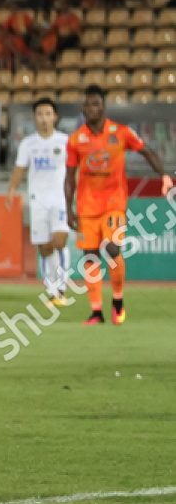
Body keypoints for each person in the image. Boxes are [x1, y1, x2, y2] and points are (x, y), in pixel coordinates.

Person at [65, 85, 172, 325]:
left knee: (113, 249)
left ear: (103, 106)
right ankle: (96, 312)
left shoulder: (121, 132)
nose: (90, 108)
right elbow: (69, 175)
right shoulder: (75, 139)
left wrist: (163, 175)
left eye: (95, 103)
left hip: (114, 204)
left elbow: (148, 152)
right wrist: (69, 208)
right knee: (90, 258)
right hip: (86, 207)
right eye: (87, 104)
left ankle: (118, 301)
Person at [6, 98, 72, 306]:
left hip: (60, 199)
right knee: (44, 247)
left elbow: (74, 169)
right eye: (39, 114)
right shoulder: (28, 144)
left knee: (60, 241)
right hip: (38, 200)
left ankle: (62, 287)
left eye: (47, 114)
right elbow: (19, 169)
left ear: (55, 117)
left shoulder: (65, 141)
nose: (43, 118)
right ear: (35, 118)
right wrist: (11, 190)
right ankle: (51, 290)